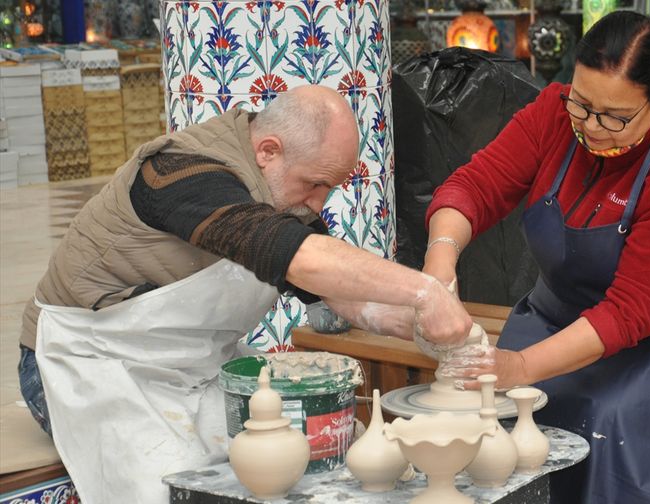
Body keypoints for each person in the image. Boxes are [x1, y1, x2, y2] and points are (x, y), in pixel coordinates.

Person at [19, 85, 472, 503]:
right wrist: (424, 290)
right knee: (175, 485)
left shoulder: (283, 196)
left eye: (329, 189)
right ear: (268, 151)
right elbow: (296, 255)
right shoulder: (180, 171)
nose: (318, 203)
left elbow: (334, 290)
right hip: (88, 362)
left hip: (192, 366)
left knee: (309, 446)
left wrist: (414, 324)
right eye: (315, 184)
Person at [423, 11, 650, 504]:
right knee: (500, 410)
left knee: (607, 419)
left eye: (615, 116)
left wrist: (519, 365)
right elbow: (475, 186)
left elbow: (632, 311)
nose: (591, 127)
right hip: (567, 314)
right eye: (583, 104)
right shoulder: (554, 113)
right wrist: (438, 269)